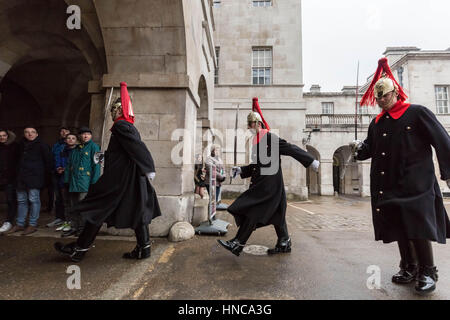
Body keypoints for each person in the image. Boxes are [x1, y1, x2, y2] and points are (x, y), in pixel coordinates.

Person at [351, 58, 450, 294]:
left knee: (417, 227)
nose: (382, 100)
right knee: (398, 226)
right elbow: (370, 148)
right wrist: (358, 149)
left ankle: (428, 271)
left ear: (396, 92)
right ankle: (409, 266)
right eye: (379, 98)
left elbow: (443, 141)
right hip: (389, 183)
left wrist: (448, 173)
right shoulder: (377, 123)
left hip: (416, 183)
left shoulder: (417, 113)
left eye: (385, 96)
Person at [55, 82, 161, 262]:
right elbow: (127, 150)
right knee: (137, 211)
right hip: (129, 178)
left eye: (115, 110)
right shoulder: (126, 126)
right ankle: (145, 248)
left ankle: (79, 250)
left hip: (118, 180)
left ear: (120, 111)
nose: (112, 113)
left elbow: (137, 147)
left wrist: (148, 166)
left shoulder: (121, 126)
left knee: (96, 210)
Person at [218, 98, 320, 257]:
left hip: (269, 185)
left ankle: (238, 243)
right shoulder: (257, 141)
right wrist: (242, 170)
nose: (249, 128)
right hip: (264, 184)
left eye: (251, 124)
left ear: (258, 123)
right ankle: (284, 241)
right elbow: (256, 166)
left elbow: (290, 148)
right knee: (277, 214)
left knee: (253, 211)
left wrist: (310, 160)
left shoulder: (269, 137)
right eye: (249, 125)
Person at [5, 126, 52, 236]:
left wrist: (44, 179)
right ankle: (20, 224)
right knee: (21, 200)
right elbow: (15, 161)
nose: (30, 134)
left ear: (36, 134)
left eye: (32, 132)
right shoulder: (20, 146)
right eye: (27, 132)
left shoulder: (42, 145)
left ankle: (32, 224)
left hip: (35, 178)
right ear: (24, 134)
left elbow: (49, 163)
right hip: (21, 178)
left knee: (33, 200)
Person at [62, 127, 100, 237]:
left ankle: (83, 229)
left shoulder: (95, 147)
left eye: (88, 134)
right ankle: (74, 227)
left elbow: (97, 167)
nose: (86, 136)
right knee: (73, 206)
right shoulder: (76, 149)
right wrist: (67, 180)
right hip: (73, 182)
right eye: (83, 134)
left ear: (91, 136)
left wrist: (94, 183)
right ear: (80, 136)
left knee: (83, 207)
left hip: (85, 182)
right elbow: (69, 166)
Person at [47, 127, 71, 228]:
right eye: (62, 131)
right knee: (58, 198)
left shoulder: (71, 145)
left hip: (67, 175)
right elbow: (52, 158)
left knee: (67, 199)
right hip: (56, 174)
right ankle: (59, 218)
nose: (64, 132)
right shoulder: (56, 145)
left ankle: (68, 220)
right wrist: (55, 168)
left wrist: (65, 169)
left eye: (66, 130)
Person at [54, 133, 78, 233]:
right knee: (66, 203)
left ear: (76, 140)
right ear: (65, 140)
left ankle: (74, 223)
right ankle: (67, 222)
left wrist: (68, 169)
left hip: (74, 180)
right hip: (63, 179)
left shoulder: (78, 150)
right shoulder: (62, 150)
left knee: (74, 203)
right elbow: (58, 160)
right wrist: (58, 167)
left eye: (73, 138)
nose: (71, 140)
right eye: (69, 138)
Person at [0, 129, 19, 234]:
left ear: (8, 136)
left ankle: (9, 221)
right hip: (1, 177)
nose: (2, 137)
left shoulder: (15, 146)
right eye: (0, 136)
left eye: (4, 135)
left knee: (10, 200)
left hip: (10, 178)